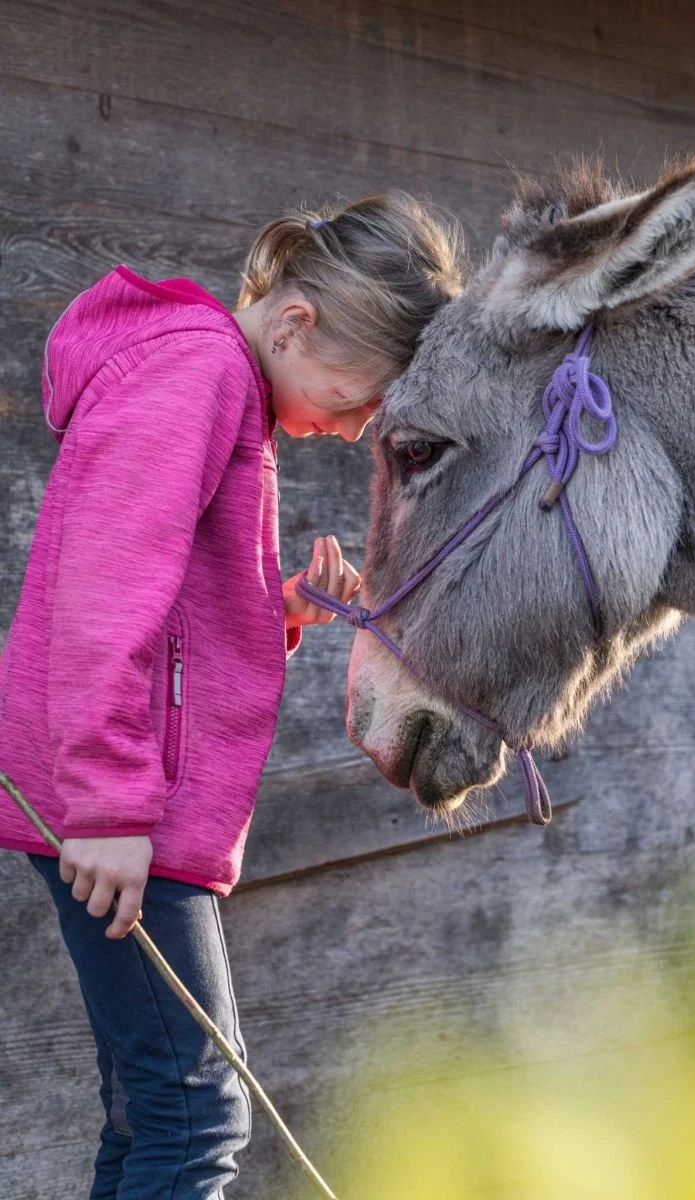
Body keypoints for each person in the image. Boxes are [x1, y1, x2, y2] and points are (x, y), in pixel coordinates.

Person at [0, 192, 463, 1198]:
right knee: (197, 1115)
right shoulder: (198, 368)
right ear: (295, 323)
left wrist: (286, 606)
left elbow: (169, 616)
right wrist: (112, 802)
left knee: (151, 1109)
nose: (350, 431)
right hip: (127, 807)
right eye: (355, 398)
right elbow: (103, 593)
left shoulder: (220, 385)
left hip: (130, 799)